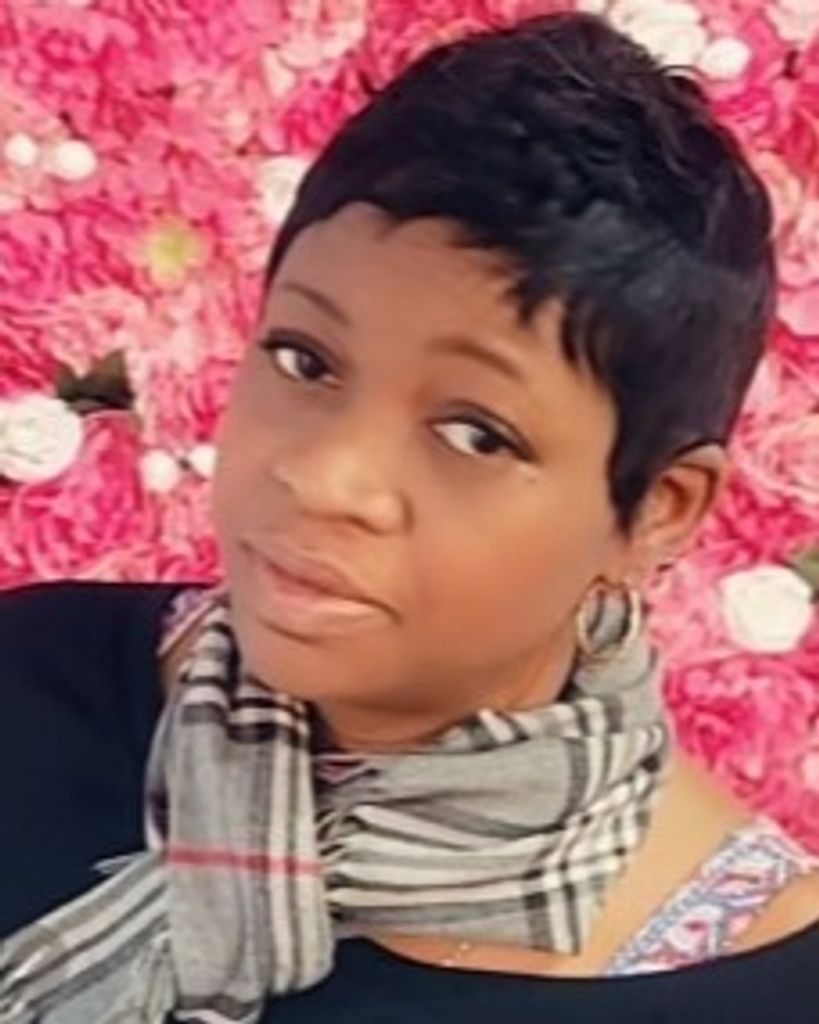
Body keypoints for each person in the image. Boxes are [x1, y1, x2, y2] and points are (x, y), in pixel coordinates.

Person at [1, 10, 818, 1024]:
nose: (326, 477)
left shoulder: (762, 986)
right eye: (304, 359)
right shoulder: (34, 682)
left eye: (475, 433)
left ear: (658, 509)